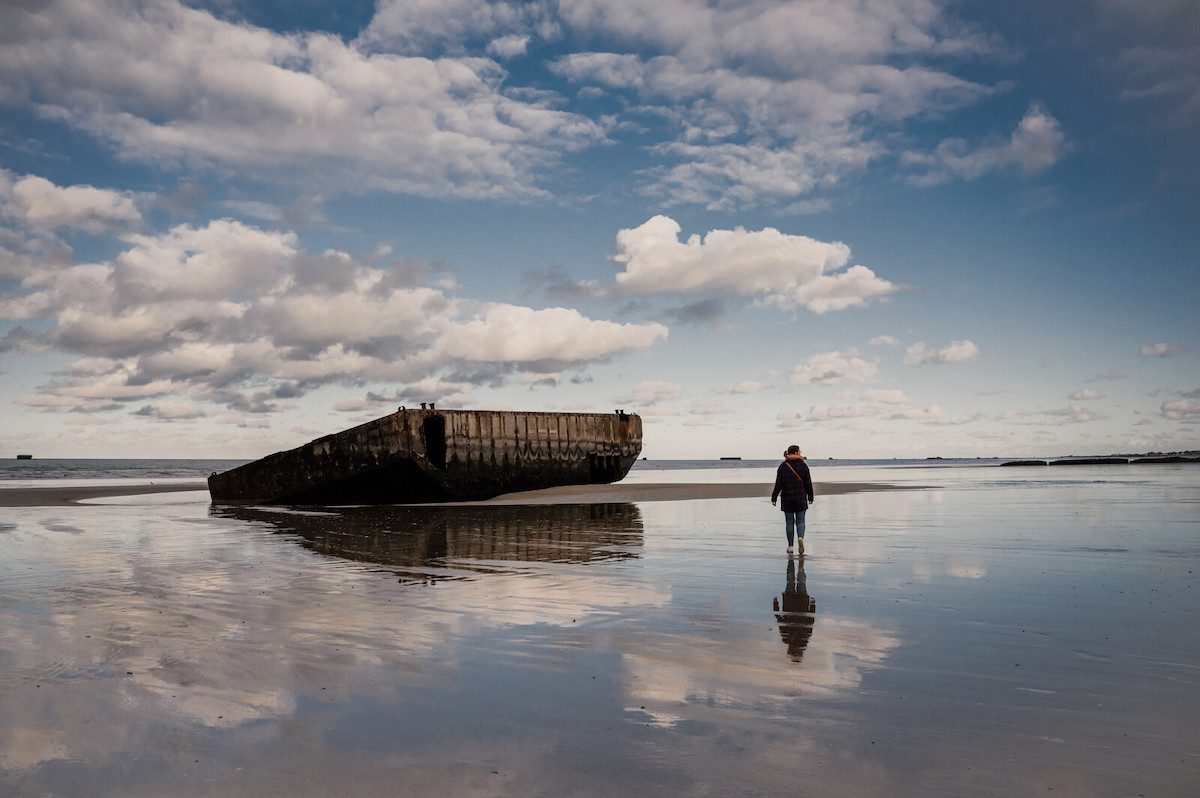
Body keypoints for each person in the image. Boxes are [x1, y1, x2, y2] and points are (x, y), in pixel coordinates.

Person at [771, 444, 814, 554]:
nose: (800, 453)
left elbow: (778, 484)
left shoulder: (783, 466)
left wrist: (774, 496)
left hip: (787, 497)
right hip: (800, 497)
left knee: (789, 522)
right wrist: (810, 495)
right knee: (800, 521)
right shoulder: (803, 466)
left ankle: (790, 546)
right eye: (799, 451)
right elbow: (808, 483)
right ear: (795, 453)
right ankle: (800, 538)